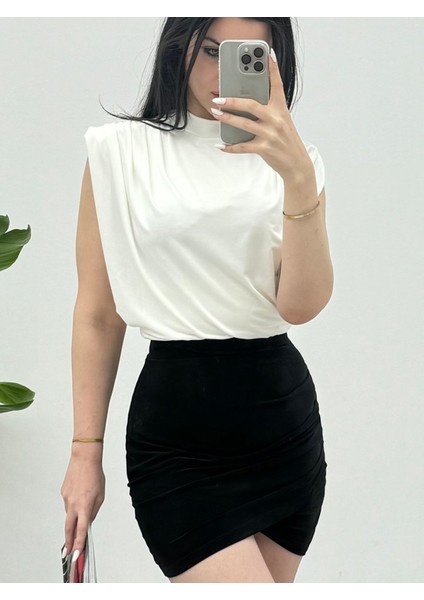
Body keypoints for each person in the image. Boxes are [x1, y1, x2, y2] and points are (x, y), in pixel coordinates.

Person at [60, 17, 334, 584]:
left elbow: (301, 306)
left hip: (282, 428)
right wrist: (85, 454)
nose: (221, 74)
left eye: (246, 55)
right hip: (178, 436)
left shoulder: (295, 162)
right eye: (211, 51)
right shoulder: (118, 151)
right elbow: (97, 314)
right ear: (179, 46)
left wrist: (299, 178)